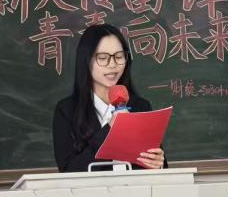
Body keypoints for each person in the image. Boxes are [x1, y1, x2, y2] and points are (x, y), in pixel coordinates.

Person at [52, 24, 166, 172]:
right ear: (86, 60)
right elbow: (69, 171)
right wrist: (110, 130)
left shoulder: (141, 107)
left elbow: (159, 169)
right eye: (103, 58)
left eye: (119, 57)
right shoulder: (66, 111)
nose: (112, 64)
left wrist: (159, 163)